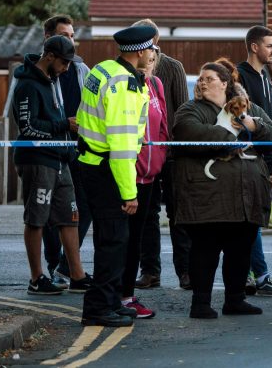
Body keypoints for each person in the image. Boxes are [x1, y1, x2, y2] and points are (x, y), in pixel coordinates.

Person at [172, 60, 272, 319]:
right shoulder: (191, 109)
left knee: (241, 250)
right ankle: (201, 303)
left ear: (224, 83)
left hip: (246, 196)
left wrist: (254, 127)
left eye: (209, 78)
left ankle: (235, 299)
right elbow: (187, 132)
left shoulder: (248, 107)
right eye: (201, 79)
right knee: (205, 250)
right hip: (208, 196)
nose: (202, 82)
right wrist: (232, 139)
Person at [76, 25, 156, 327]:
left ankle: (110, 301)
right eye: (150, 49)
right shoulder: (125, 85)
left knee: (110, 238)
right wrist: (129, 192)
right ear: (138, 51)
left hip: (91, 161)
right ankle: (98, 308)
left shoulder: (104, 70)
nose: (152, 54)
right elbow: (122, 145)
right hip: (108, 168)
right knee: (113, 239)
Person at [11, 35, 91, 296]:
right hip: (37, 161)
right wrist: (64, 125)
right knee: (36, 219)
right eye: (64, 62)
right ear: (50, 57)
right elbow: (28, 127)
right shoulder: (27, 85)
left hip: (60, 159)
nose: (67, 68)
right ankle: (36, 278)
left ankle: (76, 275)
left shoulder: (53, 80)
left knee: (70, 217)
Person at [32, 15, 92, 289]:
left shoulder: (81, 70)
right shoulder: (37, 72)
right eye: (64, 36)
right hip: (47, 152)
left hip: (78, 149)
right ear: (49, 40)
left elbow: (93, 105)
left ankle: (68, 266)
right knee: (46, 216)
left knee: (81, 209)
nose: (71, 41)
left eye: (72, 35)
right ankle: (52, 265)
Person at [131, 19, 190, 291]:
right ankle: (150, 271)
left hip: (171, 152)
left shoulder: (173, 67)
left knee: (178, 212)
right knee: (147, 213)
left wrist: (174, 149)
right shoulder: (132, 71)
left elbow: (179, 110)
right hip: (145, 155)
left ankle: (185, 272)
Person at [237, 27, 272, 296]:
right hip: (248, 158)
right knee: (250, 219)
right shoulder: (241, 76)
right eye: (269, 46)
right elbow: (243, 117)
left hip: (264, 158)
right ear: (254, 46)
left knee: (253, 219)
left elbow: (269, 119)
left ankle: (253, 274)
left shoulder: (263, 76)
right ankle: (258, 276)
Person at [119, 47, 168, 319]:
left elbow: (162, 129)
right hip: (127, 174)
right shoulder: (125, 86)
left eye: (150, 62)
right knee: (122, 238)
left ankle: (126, 295)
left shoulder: (155, 85)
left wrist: (157, 160)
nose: (144, 66)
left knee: (136, 238)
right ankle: (120, 295)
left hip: (150, 174)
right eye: (141, 61)